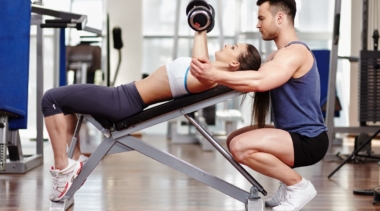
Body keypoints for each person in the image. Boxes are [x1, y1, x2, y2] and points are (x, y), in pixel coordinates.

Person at [42, 25, 262, 201]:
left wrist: (199, 32)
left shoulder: (207, 78)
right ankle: (72, 162)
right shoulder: (210, 77)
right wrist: (201, 27)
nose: (226, 44)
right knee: (66, 103)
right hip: (124, 97)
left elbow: (200, 63)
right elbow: (202, 60)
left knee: (50, 99)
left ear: (234, 63)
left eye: (233, 47)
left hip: (121, 101)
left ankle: (63, 167)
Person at [190, 0, 329, 211]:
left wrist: (213, 73)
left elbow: (260, 81)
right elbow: (251, 78)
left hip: (308, 139)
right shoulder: (276, 56)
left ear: (280, 18)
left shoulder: (294, 53)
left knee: (240, 146)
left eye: (261, 18)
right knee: (233, 139)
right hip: (291, 134)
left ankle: (298, 186)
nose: (257, 24)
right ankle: (287, 184)